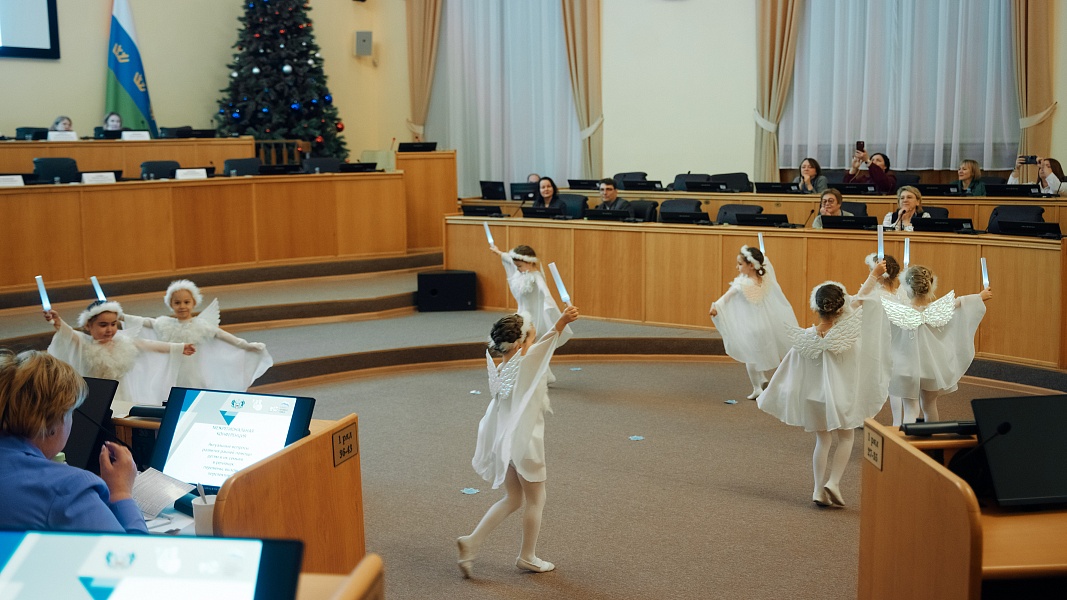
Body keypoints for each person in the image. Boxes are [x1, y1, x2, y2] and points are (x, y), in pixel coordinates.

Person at [457, 305, 580, 577]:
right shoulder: (527, 362)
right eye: (531, 338)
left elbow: (542, 344)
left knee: (513, 498)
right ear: (521, 344)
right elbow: (549, 340)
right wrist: (561, 321)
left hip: (505, 442)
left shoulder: (503, 367)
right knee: (537, 499)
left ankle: (472, 542)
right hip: (525, 443)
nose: (535, 342)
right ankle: (527, 556)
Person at [757, 266, 891, 507]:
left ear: (816, 307)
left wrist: (773, 392)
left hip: (814, 399)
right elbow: (860, 299)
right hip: (840, 398)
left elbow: (787, 369)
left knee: (823, 441)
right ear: (841, 309)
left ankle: (818, 489)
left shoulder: (805, 338)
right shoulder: (849, 335)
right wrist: (873, 275)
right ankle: (834, 482)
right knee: (846, 438)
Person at [0, 350, 147, 533]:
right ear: (52, 421)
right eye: (71, 412)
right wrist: (121, 493)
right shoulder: (68, 487)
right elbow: (131, 551)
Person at [882, 265, 992, 425]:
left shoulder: (899, 312)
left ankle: (906, 440)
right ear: (930, 286)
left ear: (906, 286)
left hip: (906, 368)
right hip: (931, 368)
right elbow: (960, 302)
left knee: (911, 409)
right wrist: (980, 296)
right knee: (929, 405)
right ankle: (931, 438)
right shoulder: (938, 310)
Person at [124, 280, 272, 390]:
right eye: (177, 303)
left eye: (186, 302)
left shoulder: (201, 325)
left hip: (194, 372)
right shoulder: (164, 324)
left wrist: (247, 346)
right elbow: (144, 322)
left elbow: (223, 336)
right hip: (173, 371)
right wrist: (120, 316)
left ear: (194, 303)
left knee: (194, 390)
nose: (182, 306)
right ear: (171, 304)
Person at [45, 300, 194, 408]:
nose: (109, 329)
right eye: (103, 325)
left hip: (124, 394)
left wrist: (178, 347)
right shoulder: (84, 343)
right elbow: (68, 333)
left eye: (113, 324)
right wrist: (58, 322)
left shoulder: (123, 341)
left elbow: (149, 344)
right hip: (97, 395)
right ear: (88, 325)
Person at [709, 245, 798, 399]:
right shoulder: (765, 277)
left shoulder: (742, 284)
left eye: (740, 264)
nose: (737, 267)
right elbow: (766, 261)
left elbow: (727, 297)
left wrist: (715, 307)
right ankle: (762, 378)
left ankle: (756, 388)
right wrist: (762, 254)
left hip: (750, 327)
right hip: (765, 324)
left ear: (751, 265)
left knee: (750, 357)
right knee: (759, 352)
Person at [488, 244, 573, 382]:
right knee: (525, 344)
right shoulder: (521, 272)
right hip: (521, 315)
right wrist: (498, 252)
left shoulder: (536, 277)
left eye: (520, 266)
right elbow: (509, 259)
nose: (517, 269)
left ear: (530, 262)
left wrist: (558, 309)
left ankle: (541, 374)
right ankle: (535, 372)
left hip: (534, 317)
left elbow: (547, 295)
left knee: (533, 344)